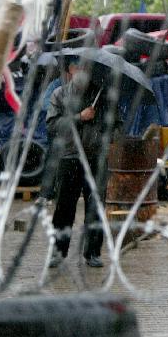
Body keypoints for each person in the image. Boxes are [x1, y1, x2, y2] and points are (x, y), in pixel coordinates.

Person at [45, 57, 110, 268]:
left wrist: (104, 139)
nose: (82, 72)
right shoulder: (59, 94)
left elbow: (116, 125)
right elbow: (53, 125)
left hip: (95, 160)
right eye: (78, 67)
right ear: (71, 70)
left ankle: (92, 252)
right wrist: (79, 117)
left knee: (95, 206)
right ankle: (57, 251)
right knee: (64, 207)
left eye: (86, 68)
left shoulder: (102, 95)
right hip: (69, 158)